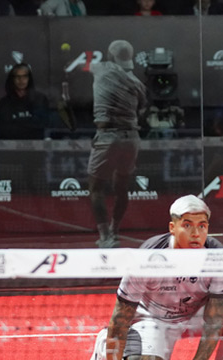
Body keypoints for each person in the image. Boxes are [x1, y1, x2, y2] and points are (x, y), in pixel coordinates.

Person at [89, 195, 223, 360]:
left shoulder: (216, 257)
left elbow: (214, 321)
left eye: (202, 226)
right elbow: (120, 318)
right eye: (187, 225)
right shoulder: (149, 257)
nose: (196, 234)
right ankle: (105, 346)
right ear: (172, 227)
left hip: (194, 316)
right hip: (153, 319)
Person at [87, 40, 147, 248]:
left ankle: (105, 238)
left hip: (107, 137)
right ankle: (115, 231)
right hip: (131, 138)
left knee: (95, 189)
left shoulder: (101, 68)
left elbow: (77, 66)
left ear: (110, 57)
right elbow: (141, 110)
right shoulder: (137, 83)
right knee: (121, 186)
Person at [0, 63, 49, 140]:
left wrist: (17, 123)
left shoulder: (40, 99)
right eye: (18, 77)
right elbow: (5, 128)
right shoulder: (4, 102)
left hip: (35, 144)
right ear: (12, 79)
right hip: (11, 145)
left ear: (29, 78)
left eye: (25, 76)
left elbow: (41, 124)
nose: (21, 80)